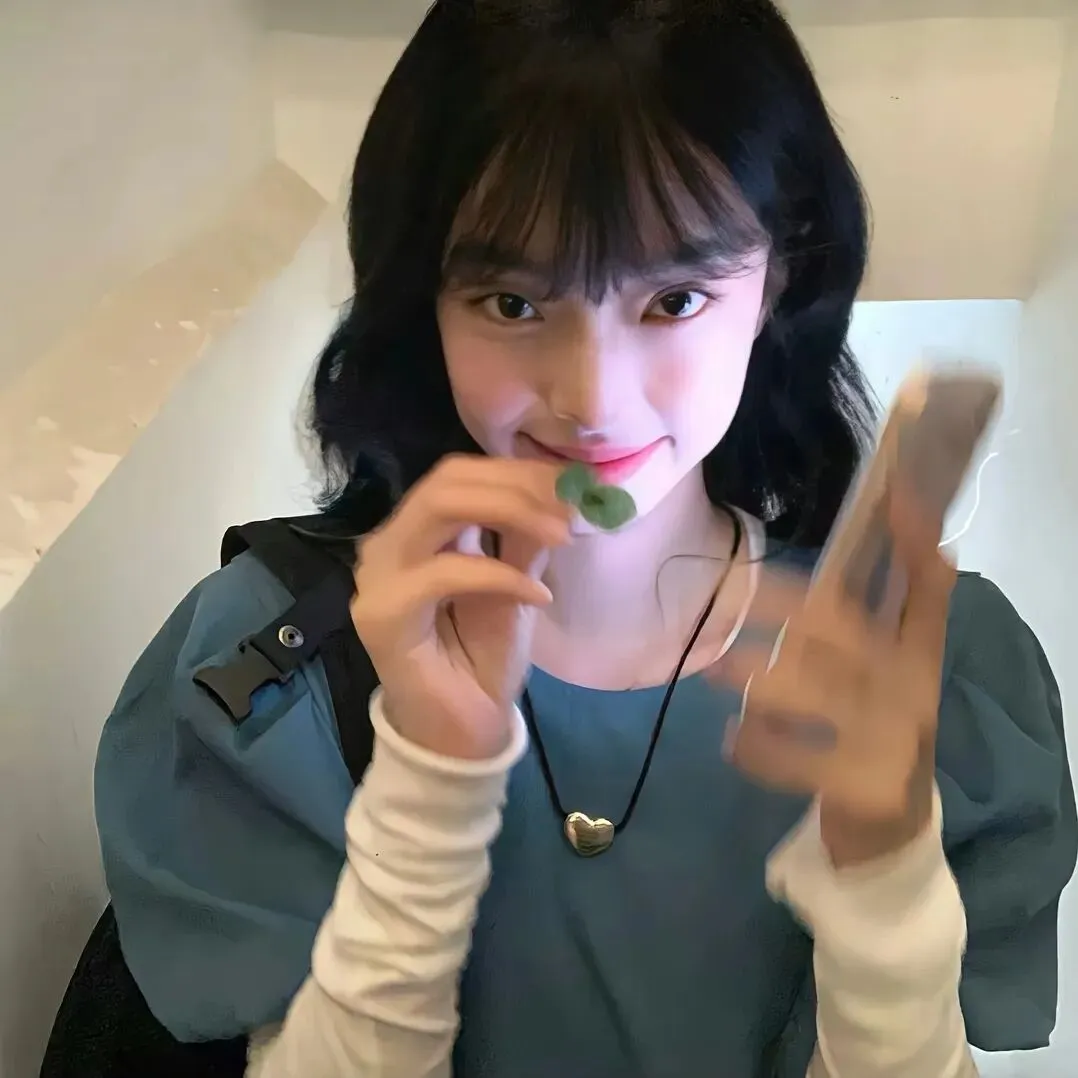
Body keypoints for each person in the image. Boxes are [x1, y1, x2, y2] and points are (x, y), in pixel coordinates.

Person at [94, 2, 1076, 1076]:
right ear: (423, 298)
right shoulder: (271, 660)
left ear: (779, 278)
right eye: (513, 303)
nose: (592, 399)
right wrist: (428, 781)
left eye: (675, 298)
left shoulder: (931, 667)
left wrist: (884, 876)